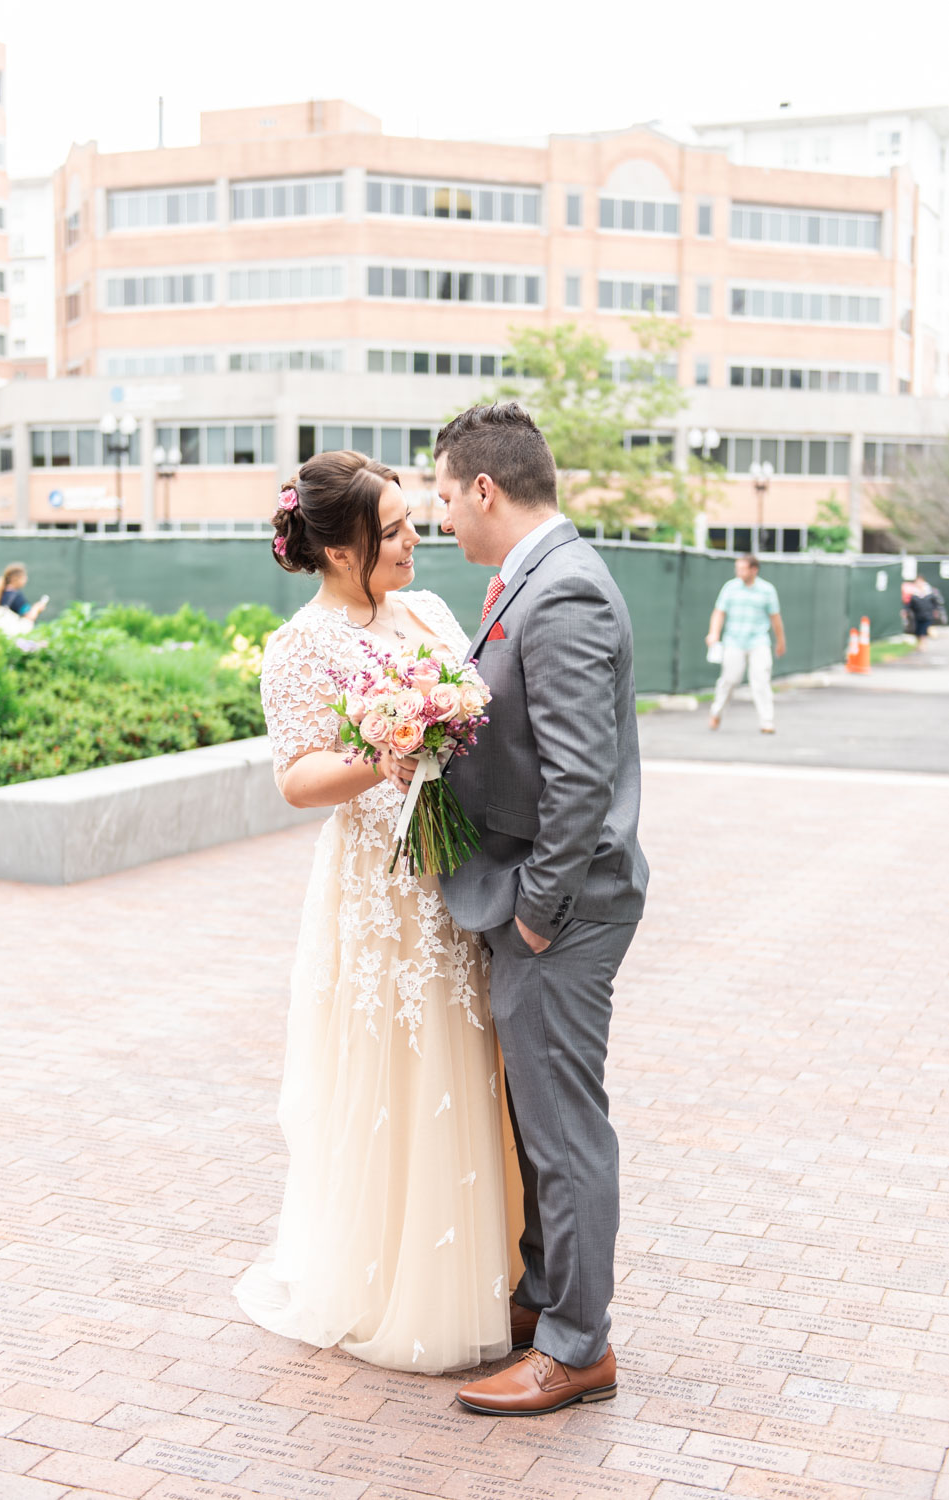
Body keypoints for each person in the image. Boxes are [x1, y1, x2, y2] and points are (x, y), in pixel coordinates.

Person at [233, 450, 516, 1375]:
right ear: (341, 548)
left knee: (471, 1060)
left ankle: (491, 1272)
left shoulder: (430, 612)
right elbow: (296, 779)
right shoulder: (300, 647)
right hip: (379, 888)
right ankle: (392, 1283)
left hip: (455, 876)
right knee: (397, 1068)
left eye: (406, 519)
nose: (412, 538)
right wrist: (386, 754)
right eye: (391, 529)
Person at [425, 403, 649, 1416]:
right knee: (538, 1125)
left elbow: (576, 781)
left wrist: (534, 916)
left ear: (484, 489)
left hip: (559, 909)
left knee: (563, 1133)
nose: (437, 516)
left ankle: (576, 1348)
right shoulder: (534, 576)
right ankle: (545, 1300)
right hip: (534, 900)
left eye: (440, 495)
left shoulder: (560, 594)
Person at [705, 554, 786, 734]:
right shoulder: (730, 588)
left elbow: (775, 618)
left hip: (759, 641)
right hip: (734, 641)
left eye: (743, 568)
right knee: (729, 680)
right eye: (737, 568)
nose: (739, 572)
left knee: (761, 680)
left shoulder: (767, 590)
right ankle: (716, 712)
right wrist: (713, 633)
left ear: (754, 570)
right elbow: (719, 612)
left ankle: (767, 722)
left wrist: (780, 641)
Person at [907, 574, 937, 648]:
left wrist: (935, 611)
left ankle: (923, 645)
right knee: (918, 631)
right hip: (917, 615)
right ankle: (919, 643)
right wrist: (906, 610)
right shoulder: (914, 593)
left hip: (927, 615)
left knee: (924, 630)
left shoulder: (929, 592)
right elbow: (910, 604)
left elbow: (935, 603)